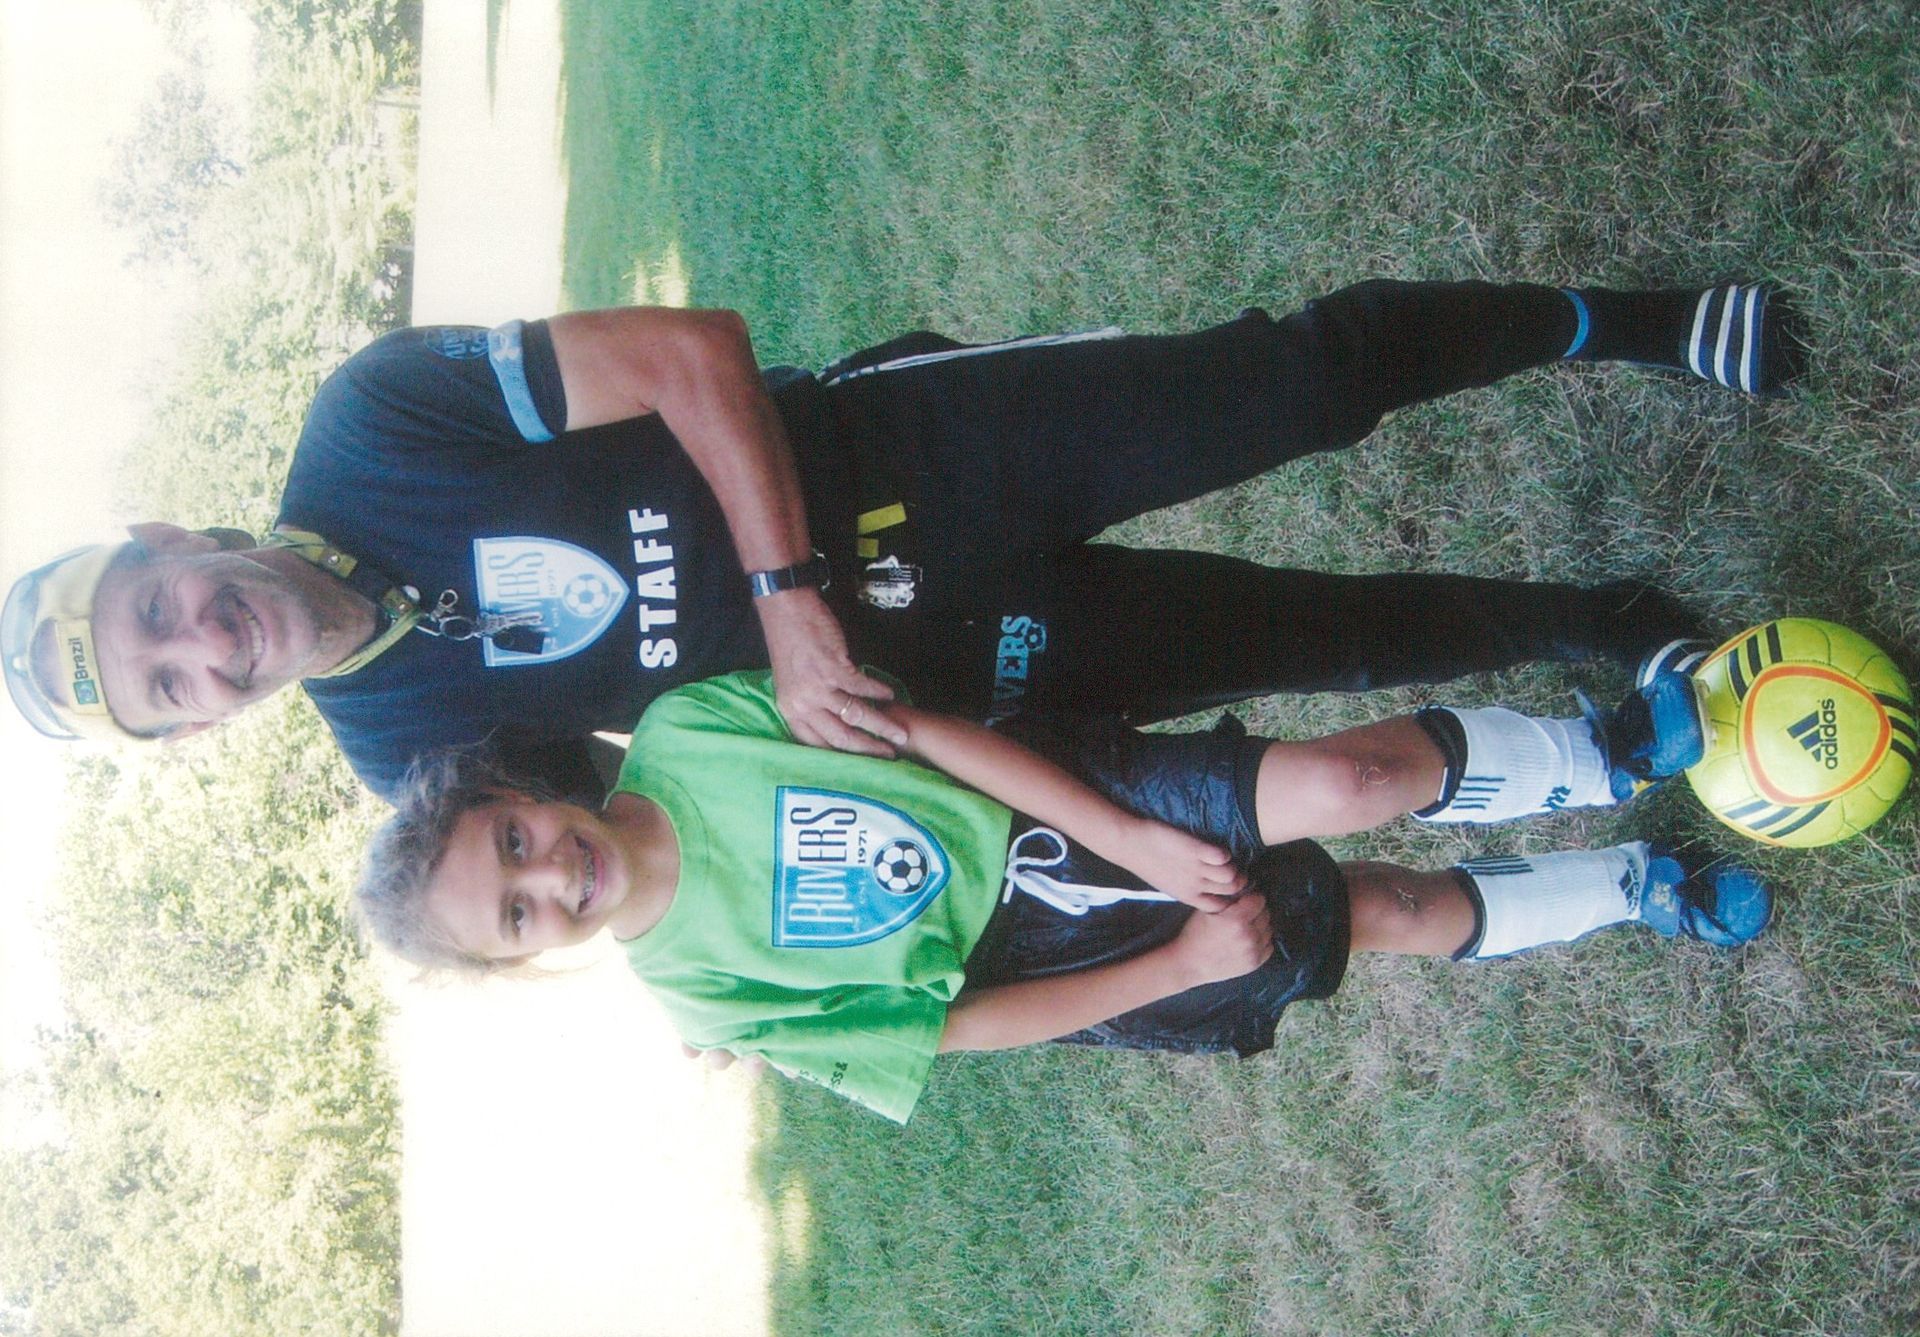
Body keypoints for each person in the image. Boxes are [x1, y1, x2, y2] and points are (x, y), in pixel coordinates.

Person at [3, 279, 1798, 798]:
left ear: (163, 537)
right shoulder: (402, 754)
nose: (204, 644)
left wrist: (785, 597)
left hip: (919, 457)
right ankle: (1612, 620)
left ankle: (1631, 323)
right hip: (945, 672)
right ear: (194, 730)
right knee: (1313, 639)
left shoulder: (371, 424)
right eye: (169, 687)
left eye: (159, 608)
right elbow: (662, 815)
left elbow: (691, 355)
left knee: (1299, 384)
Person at [352, 665, 1760, 1123]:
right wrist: (1178, 962)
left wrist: (1130, 836)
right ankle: (1633, 884)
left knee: (1341, 783)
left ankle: (1602, 748)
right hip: (1055, 955)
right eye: (516, 913)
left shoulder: (688, 730)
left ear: (517, 790)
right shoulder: (711, 997)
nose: (550, 875)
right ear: (526, 957)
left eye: (514, 840)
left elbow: (916, 733)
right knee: (1375, 911)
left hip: (1058, 803)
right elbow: (960, 1027)